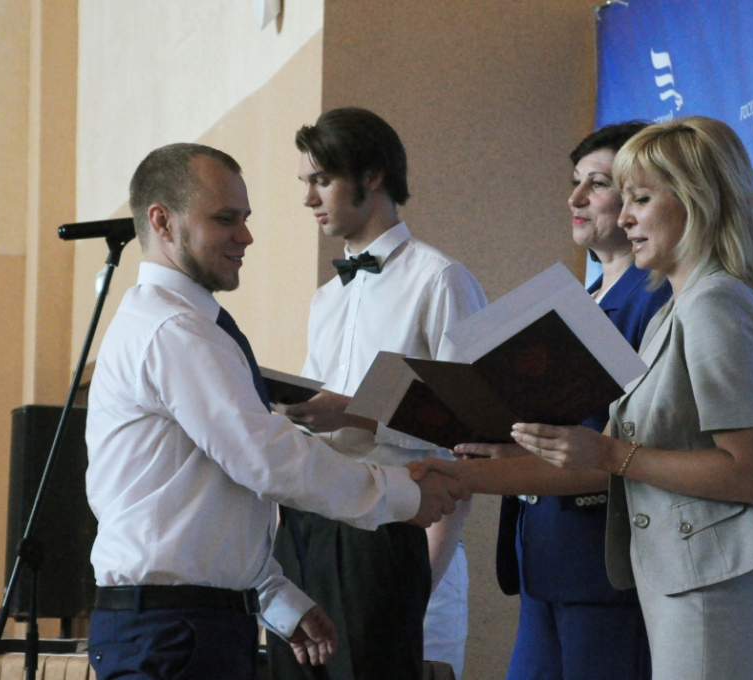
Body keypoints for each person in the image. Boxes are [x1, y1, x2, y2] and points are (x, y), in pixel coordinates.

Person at [412, 116, 753, 680]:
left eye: (640, 199)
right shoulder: (679, 309)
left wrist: (608, 453)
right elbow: (611, 456)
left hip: (710, 592)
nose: (624, 217)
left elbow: (750, 474)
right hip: (675, 584)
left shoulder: (715, 304)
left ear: (696, 200)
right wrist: (462, 472)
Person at [85, 142, 469, 680]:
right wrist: (404, 493)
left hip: (206, 613)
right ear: (162, 222)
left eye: (245, 218)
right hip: (177, 626)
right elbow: (264, 459)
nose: (246, 236)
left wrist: (274, 594)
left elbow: (203, 493)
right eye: (225, 219)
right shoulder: (175, 330)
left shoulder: (438, 277)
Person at [265, 108, 486, 680]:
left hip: (401, 532)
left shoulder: (439, 279)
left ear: (372, 176)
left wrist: (352, 410)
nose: (308, 198)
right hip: (316, 530)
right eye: (305, 182)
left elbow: (471, 427)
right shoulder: (326, 299)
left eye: (322, 180)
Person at [494, 122, 670, 680]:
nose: (575, 199)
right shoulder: (573, 300)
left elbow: (647, 439)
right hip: (541, 559)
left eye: (596, 184)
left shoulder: (657, 299)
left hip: (603, 567)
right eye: (575, 182)